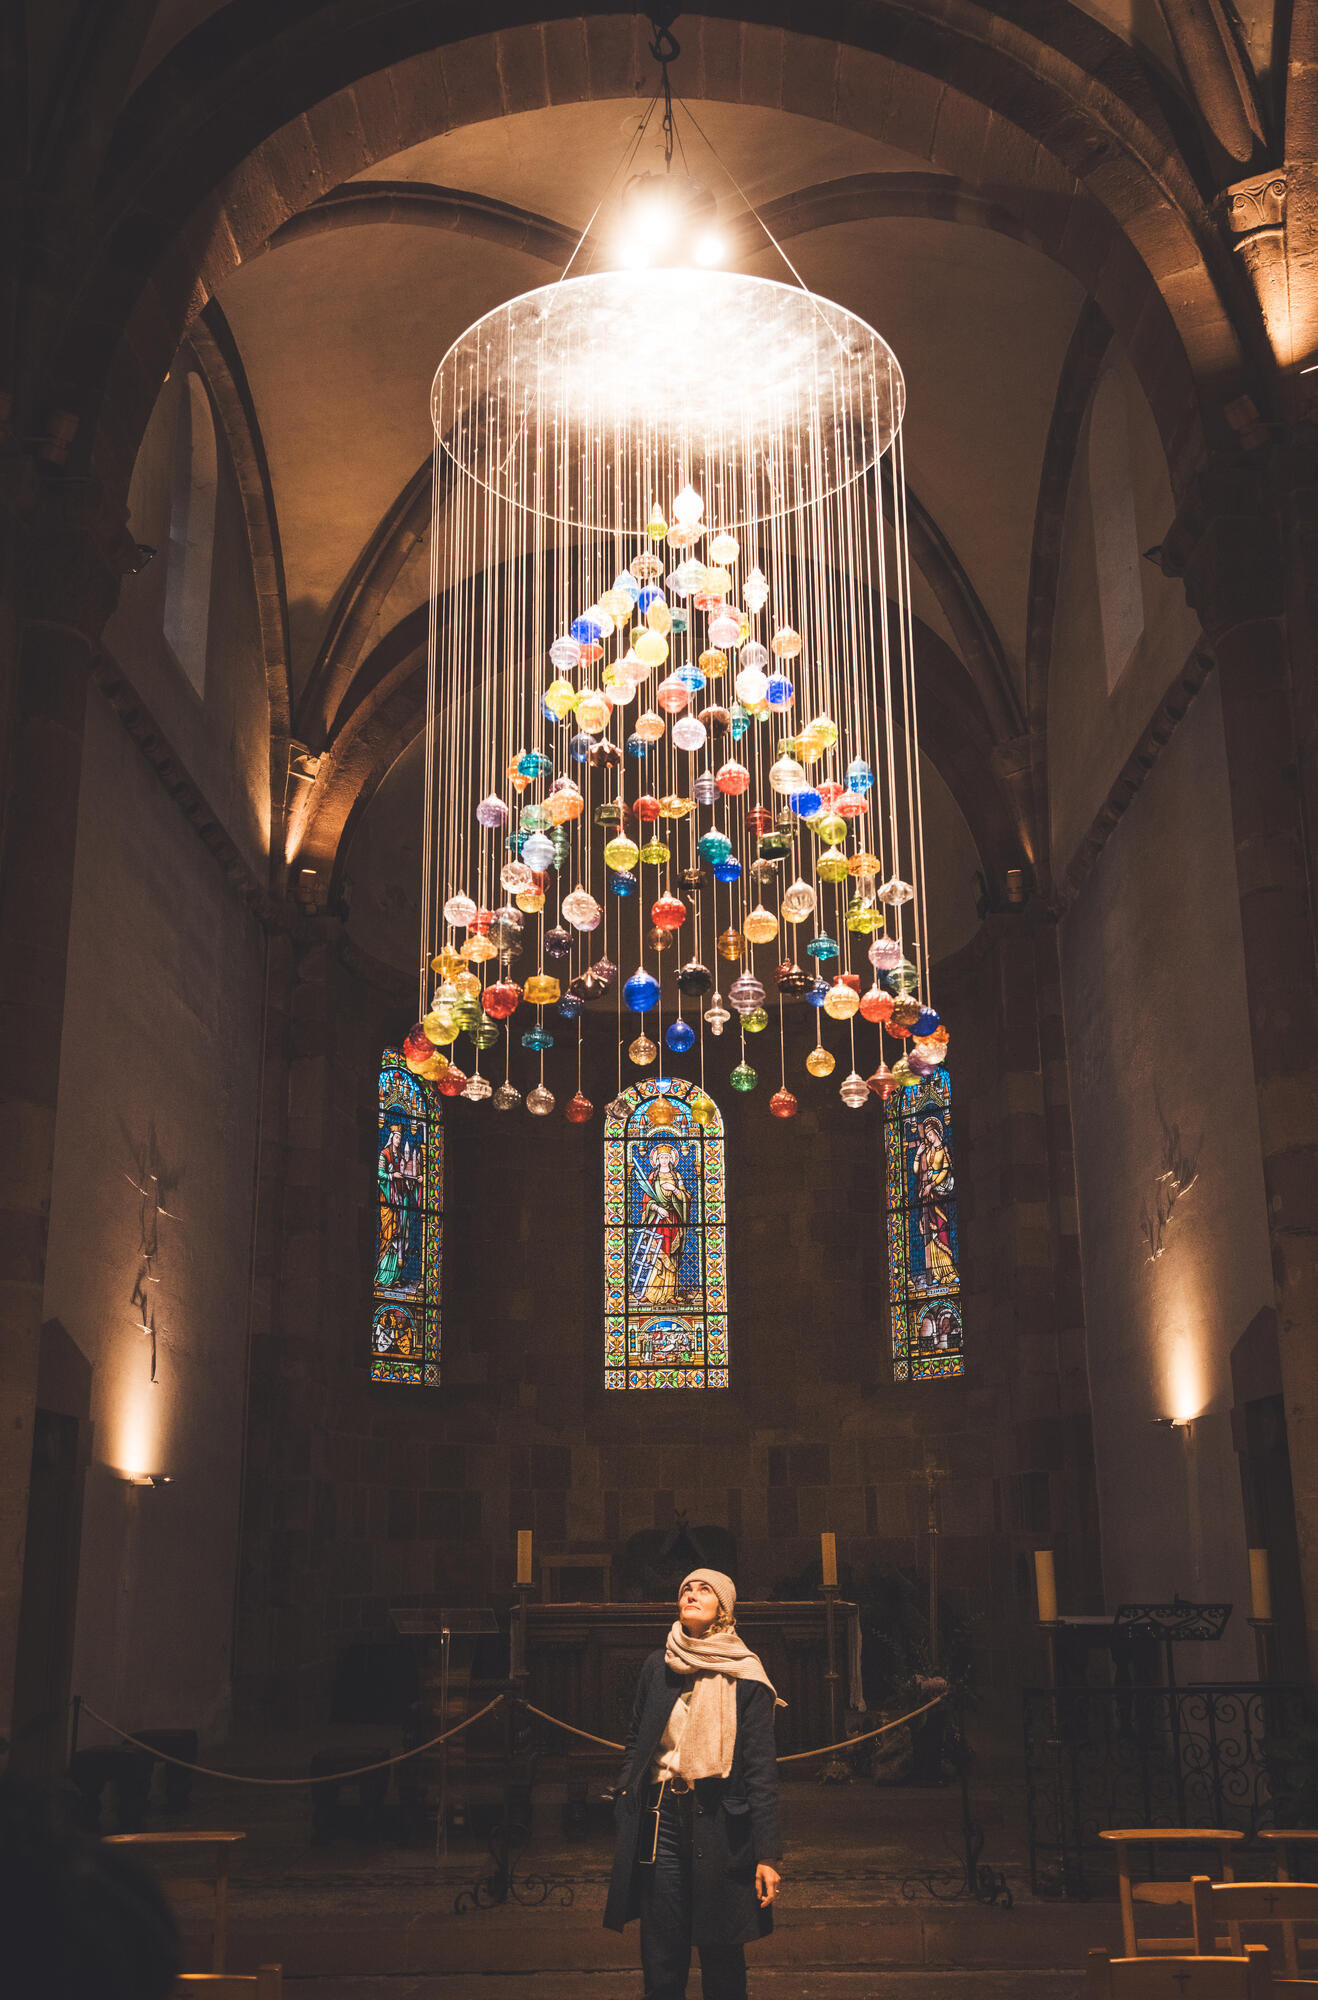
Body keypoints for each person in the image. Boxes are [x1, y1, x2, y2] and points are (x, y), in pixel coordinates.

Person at [604, 1568, 783, 1999]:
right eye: (686, 1588)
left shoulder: (747, 1674)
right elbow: (635, 1739)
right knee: (661, 1950)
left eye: (705, 1589)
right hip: (661, 1816)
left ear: (724, 1607)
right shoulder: (658, 1664)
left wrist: (769, 1854)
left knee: (720, 1951)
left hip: (720, 1817)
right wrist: (627, 1790)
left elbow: (761, 1770)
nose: (692, 1593)